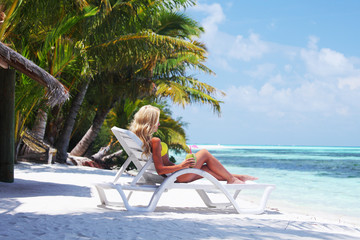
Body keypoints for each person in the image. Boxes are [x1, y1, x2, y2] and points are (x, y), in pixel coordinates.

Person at [129, 105, 258, 184]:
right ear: (150, 122)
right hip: (177, 176)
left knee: (207, 169)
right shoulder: (155, 141)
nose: (159, 124)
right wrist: (182, 166)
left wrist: (181, 166)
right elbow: (160, 169)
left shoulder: (141, 139)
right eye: (157, 121)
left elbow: (160, 167)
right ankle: (232, 180)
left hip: (175, 175)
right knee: (204, 153)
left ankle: (237, 177)